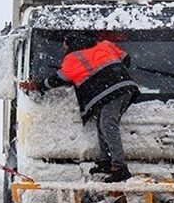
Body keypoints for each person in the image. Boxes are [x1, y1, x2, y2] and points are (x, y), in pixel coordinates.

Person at [19, 34, 140, 182]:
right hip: (123, 87)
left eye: (64, 45)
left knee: (108, 123)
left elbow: (58, 79)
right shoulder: (105, 45)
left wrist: (37, 85)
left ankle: (120, 167)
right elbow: (126, 59)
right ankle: (105, 162)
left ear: (69, 44)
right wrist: (114, 74)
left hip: (111, 91)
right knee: (102, 123)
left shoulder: (73, 58)